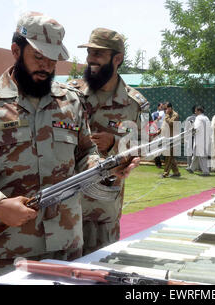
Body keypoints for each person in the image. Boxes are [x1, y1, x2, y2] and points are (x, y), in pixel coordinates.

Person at [0, 12, 138, 278]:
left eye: (53, 59)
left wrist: (106, 170)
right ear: (16, 50)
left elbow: (85, 153)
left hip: (67, 246)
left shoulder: (70, 102)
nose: (47, 66)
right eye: (38, 57)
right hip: (8, 248)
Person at [68, 28, 148, 254]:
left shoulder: (134, 104)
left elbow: (145, 146)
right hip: (65, 204)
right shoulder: (69, 94)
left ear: (117, 59)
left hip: (104, 208)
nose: (90, 60)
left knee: (102, 266)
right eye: (90, 53)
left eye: (98, 54)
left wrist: (115, 143)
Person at [158, 102, 181, 178]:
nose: (165, 110)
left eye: (166, 108)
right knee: (170, 156)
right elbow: (164, 125)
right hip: (166, 138)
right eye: (164, 109)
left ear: (170, 108)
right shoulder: (166, 115)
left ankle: (165, 173)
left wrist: (167, 115)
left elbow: (171, 123)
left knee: (168, 156)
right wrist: (159, 131)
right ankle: (176, 172)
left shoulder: (175, 115)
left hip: (173, 139)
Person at [188, 105, 211, 176]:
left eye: (196, 110)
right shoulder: (206, 118)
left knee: (201, 156)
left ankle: (206, 171)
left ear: (199, 111)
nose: (195, 112)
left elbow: (195, 128)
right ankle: (191, 168)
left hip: (199, 140)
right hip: (205, 139)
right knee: (195, 155)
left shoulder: (198, 118)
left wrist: (191, 124)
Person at [151, 103, 165, 168]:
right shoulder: (154, 114)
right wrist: (158, 119)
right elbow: (152, 123)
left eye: (163, 107)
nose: (162, 108)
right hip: (157, 132)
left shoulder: (165, 114)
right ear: (158, 107)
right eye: (161, 106)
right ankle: (158, 163)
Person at [184, 105, 197, 171]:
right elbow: (186, 128)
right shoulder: (189, 118)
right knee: (190, 151)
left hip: (197, 137)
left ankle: (194, 166)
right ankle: (189, 165)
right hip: (191, 137)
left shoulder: (201, 118)